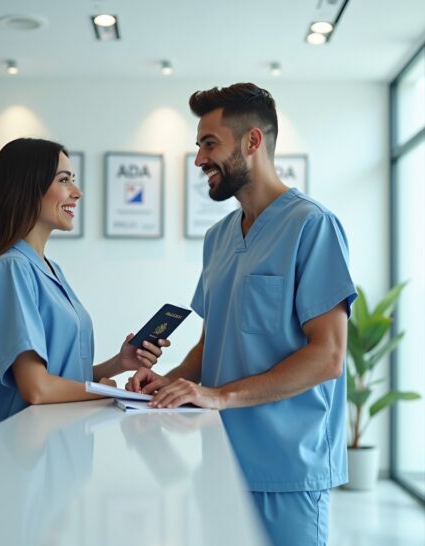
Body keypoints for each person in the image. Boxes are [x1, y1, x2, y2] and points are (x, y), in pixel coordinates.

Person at [127, 83, 357, 546]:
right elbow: (215, 343)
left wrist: (220, 396)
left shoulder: (312, 226)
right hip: (218, 463)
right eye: (198, 146)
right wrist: (169, 383)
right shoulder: (218, 238)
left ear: (252, 141)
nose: (198, 160)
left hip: (287, 472)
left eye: (210, 144)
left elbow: (328, 355)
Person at [0, 138, 168, 433]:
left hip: (61, 444)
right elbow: (37, 389)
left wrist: (118, 364)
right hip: (22, 457)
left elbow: (62, 377)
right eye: (64, 180)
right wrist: (105, 390)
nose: (77, 192)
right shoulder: (11, 269)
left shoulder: (50, 269)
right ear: (28, 187)